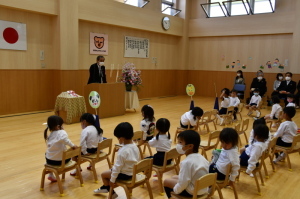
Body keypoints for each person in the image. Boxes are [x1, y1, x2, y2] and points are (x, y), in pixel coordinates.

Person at [94, 122, 140, 197]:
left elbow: (117, 168)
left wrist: (112, 181)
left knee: (103, 175)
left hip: (125, 175)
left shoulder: (123, 151)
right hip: (133, 172)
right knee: (110, 171)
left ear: (121, 139)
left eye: (118, 138)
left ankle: (110, 191)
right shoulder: (135, 146)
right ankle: (106, 187)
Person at [163, 130, 209, 198]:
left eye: (180, 142)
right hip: (203, 189)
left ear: (190, 146)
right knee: (174, 177)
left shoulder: (186, 162)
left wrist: (175, 190)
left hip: (192, 192)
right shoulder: (202, 158)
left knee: (166, 182)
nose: (178, 145)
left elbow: (183, 183)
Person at [44, 115, 77, 182]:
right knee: (67, 153)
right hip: (61, 161)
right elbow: (65, 139)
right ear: (59, 126)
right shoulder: (62, 132)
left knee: (47, 153)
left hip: (50, 161)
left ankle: (50, 174)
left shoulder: (50, 135)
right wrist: (72, 145)